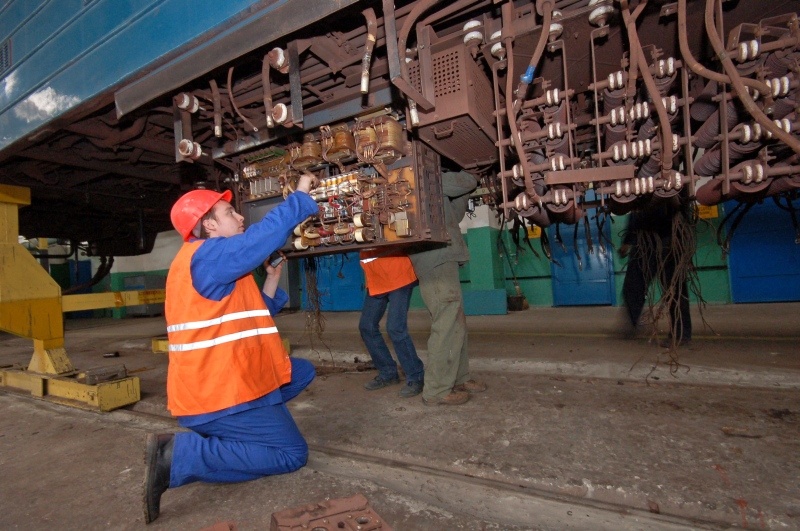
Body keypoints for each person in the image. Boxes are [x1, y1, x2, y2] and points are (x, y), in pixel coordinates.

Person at [143, 173, 318, 524]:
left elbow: (249, 319)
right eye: (229, 213)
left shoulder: (214, 264)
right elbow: (261, 237)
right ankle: (180, 455)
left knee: (300, 372)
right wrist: (299, 197)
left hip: (221, 380)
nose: (240, 218)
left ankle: (235, 427)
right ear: (208, 225)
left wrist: (270, 279)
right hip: (219, 390)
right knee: (291, 454)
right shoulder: (207, 257)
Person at [409, 170, 486, 406]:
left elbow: (455, 212)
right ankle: (437, 390)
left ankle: (459, 378)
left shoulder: (436, 188)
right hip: (435, 259)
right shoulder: (423, 175)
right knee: (446, 322)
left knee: (455, 322)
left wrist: (467, 188)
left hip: (442, 257)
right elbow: (467, 180)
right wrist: (473, 173)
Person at [619, 194, 692, 347]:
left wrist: (682, 239)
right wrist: (627, 240)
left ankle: (681, 334)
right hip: (644, 241)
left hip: (670, 237)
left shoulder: (673, 182)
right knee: (632, 286)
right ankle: (633, 324)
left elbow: (684, 207)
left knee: (674, 289)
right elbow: (635, 213)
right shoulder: (639, 186)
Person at [358, 250, 425, 397]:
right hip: (377, 278)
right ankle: (388, 373)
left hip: (398, 274)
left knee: (395, 328)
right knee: (366, 326)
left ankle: (416, 376)